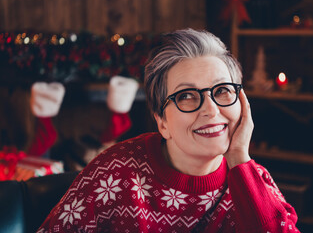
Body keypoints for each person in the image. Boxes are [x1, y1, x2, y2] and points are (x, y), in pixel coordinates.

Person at [37, 29, 299, 233]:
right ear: (162, 122)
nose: (210, 109)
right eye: (186, 95)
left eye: (222, 91)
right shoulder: (115, 173)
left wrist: (240, 157)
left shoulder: (253, 180)